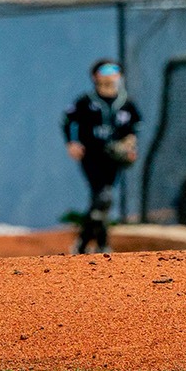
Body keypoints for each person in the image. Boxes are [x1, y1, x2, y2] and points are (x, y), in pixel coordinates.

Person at [62, 59, 143, 254]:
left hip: (113, 158)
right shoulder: (86, 101)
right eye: (104, 70)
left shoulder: (126, 103)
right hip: (91, 156)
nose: (109, 74)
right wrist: (72, 143)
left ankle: (91, 243)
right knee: (103, 195)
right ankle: (96, 244)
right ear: (95, 76)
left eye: (114, 70)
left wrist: (130, 146)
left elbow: (134, 130)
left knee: (100, 200)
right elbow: (67, 121)